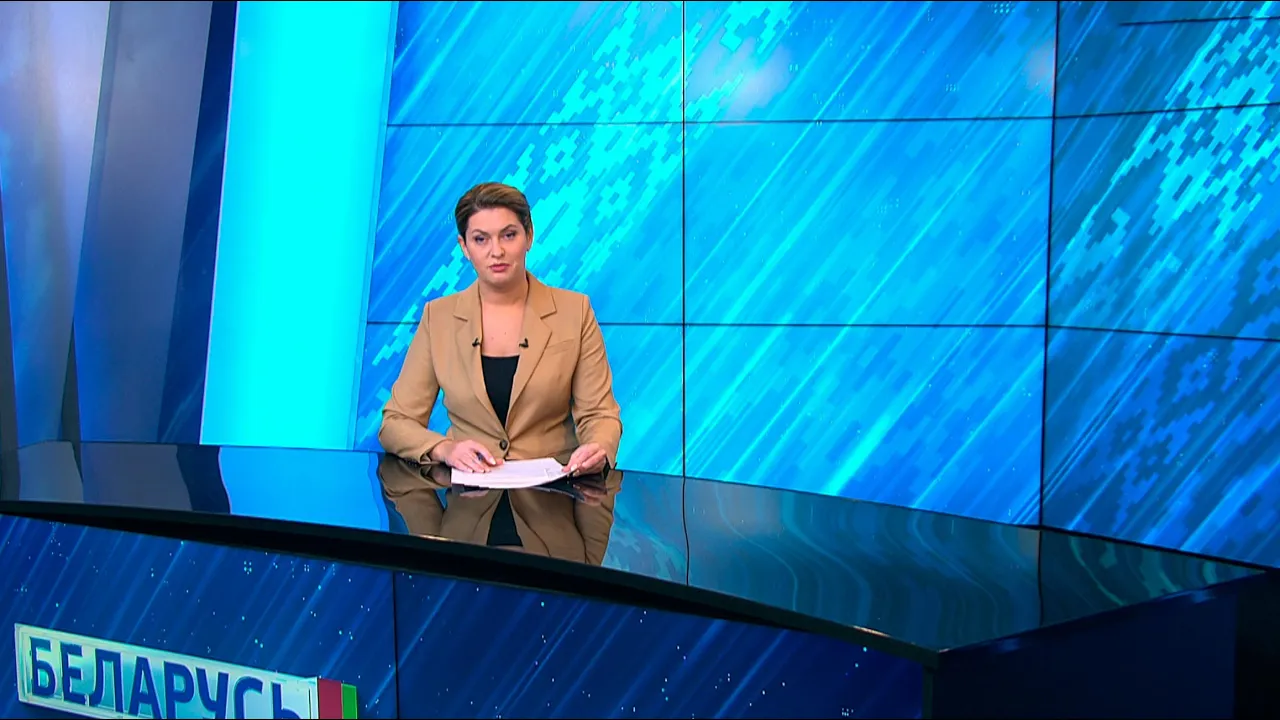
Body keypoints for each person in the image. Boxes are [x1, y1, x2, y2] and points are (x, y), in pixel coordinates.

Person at [379, 182, 623, 481]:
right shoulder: (438, 318)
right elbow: (396, 422)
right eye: (480, 239)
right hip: (468, 497)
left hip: (554, 493)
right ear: (464, 247)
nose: (497, 251)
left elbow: (600, 415)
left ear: (529, 236)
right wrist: (444, 449)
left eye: (509, 235)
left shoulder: (575, 312)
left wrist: (599, 448)